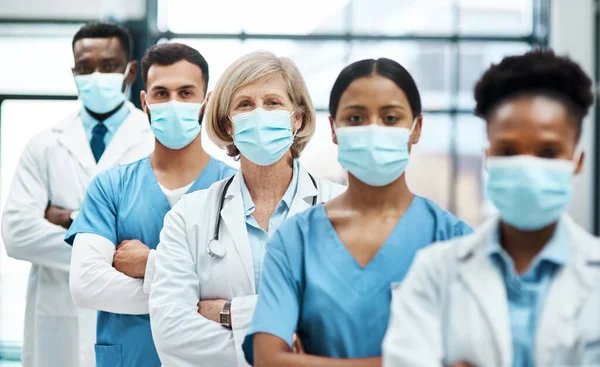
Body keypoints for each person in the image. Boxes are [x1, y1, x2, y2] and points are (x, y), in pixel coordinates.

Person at [242, 58, 474, 367]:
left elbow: (471, 359)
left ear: (416, 129)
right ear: (334, 129)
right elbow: (268, 359)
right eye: (355, 118)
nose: (373, 130)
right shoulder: (295, 241)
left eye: (390, 118)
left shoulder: (455, 241)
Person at [382, 50, 600, 367]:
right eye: (508, 151)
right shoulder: (435, 272)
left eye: (548, 152)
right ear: (488, 158)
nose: (527, 166)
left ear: (576, 161)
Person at [148, 51, 346, 367]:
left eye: (272, 103)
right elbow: (171, 331)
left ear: (297, 118)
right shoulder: (189, 216)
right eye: (245, 105)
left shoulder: (341, 209)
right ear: (228, 124)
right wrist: (285, 344)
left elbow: (347, 324)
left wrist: (230, 313)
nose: (259, 113)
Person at [64, 42, 236, 367]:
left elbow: (242, 289)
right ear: (145, 102)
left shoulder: (234, 189)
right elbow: (87, 286)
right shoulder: (111, 186)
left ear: (206, 100)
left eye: (186, 93)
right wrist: (194, 294)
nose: (173, 103)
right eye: (161, 93)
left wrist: (152, 265)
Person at [1, 22, 154, 367]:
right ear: (73, 72)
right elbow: (16, 234)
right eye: (85, 67)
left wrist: (70, 218)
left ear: (130, 72)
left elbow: (158, 237)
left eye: (109, 65)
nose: (96, 75)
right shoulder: (44, 145)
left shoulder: (152, 142)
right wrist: (111, 246)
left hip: (130, 322)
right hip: (58, 319)